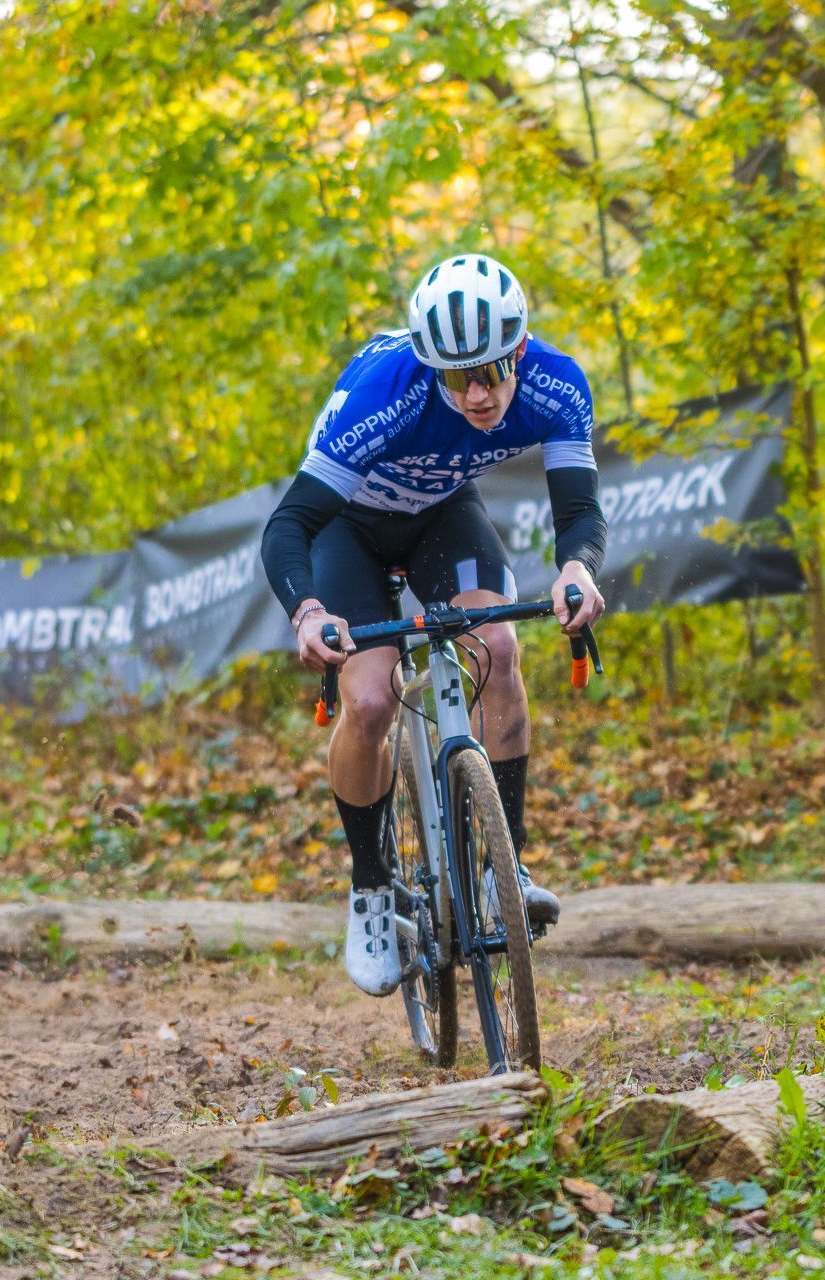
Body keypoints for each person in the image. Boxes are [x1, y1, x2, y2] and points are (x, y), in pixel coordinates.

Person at [259, 253, 608, 997]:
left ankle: (502, 870)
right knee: (370, 701)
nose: (477, 394)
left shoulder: (556, 383)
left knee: (498, 649)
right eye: (456, 378)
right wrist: (309, 612)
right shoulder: (383, 394)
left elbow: (578, 511)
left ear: (519, 349)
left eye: (490, 372)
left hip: (441, 515)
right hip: (348, 531)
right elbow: (288, 525)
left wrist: (577, 569)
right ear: (430, 366)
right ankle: (370, 889)